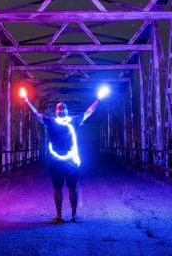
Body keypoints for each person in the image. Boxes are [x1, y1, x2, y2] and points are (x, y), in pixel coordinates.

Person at [21, 86, 109, 223]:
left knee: (72, 188)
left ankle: (74, 215)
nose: (61, 110)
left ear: (67, 111)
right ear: (56, 111)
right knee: (57, 188)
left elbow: (88, 112)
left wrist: (98, 99)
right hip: (56, 160)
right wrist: (26, 101)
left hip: (71, 161)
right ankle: (58, 216)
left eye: (64, 108)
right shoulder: (50, 122)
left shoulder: (74, 121)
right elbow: (37, 115)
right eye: (59, 108)